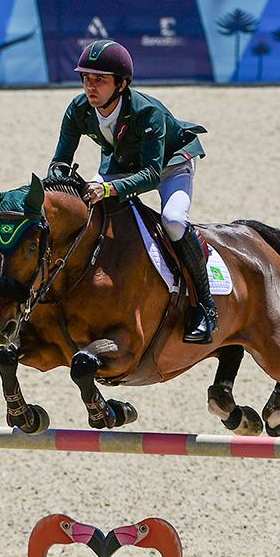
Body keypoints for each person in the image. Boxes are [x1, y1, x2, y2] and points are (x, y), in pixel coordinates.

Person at [49, 39, 215, 344]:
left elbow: (151, 175)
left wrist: (108, 188)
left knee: (173, 221)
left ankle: (205, 307)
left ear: (122, 84)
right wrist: (57, 183)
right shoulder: (79, 108)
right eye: (86, 78)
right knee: (88, 213)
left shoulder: (147, 112)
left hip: (170, 165)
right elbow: (61, 160)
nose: (90, 87)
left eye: (100, 80)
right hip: (122, 162)